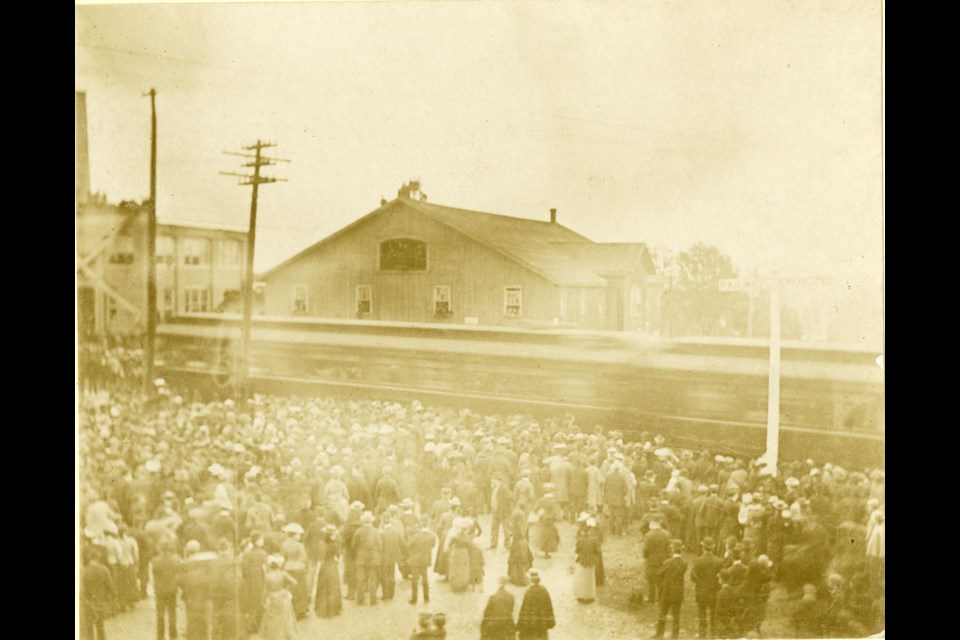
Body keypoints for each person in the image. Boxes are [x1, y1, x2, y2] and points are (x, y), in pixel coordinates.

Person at [691, 537, 723, 640]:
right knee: (714, 615)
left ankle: (702, 636)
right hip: (714, 592)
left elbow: (693, 577)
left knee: (702, 614)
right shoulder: (718, 561)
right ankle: (713, 635)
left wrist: (700, 582)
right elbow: (721, 577)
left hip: (701, 591)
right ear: (713, 547)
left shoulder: (698, 561)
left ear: (703, 547)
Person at [81, 546, 116, 640]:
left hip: (88, 602)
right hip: (100, 601)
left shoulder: (84, 571)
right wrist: (112, 599)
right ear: (98, 557)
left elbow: (82, 588)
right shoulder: (104, 569)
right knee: (100, 627)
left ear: (89, 558)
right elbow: (110, 586)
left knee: (89, 628)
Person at [654, 540, 687, 639]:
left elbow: (659, 574)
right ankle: (675, 635)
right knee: (676, 615)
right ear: (682, 549)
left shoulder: (667, 562)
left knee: (662, 613)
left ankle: (660, 634)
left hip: (667, 591)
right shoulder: (684, 564)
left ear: (672, 549)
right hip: (677, 592)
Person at [260, 554, 298, 640]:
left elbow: (265, 590)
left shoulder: (268, 576)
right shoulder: (283, 573)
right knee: (285, 618)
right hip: (283, 596)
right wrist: (286, 589)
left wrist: (263, 600)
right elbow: (294, 582)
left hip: (272, 597)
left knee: (273, 619)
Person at [150, 541, 183, 640]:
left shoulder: (155, 561)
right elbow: (179, 574)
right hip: (172, 590)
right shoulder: (176, 560)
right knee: (172, 613)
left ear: (161, 549)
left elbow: (154, 574)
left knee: (160, 614)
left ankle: (160, 636)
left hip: (160, 590)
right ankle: (173, 634)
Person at [313, 524, 343, 617]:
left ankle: (322, 609)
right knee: (333, 588)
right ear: (330, 535)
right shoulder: (334, 545)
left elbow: (319, 555)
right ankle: (333, 609)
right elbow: (338, 557)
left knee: (323, 587)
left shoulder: (321, 543)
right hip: (332, 567)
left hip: (323, 566)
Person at [354, 510, 383, 605]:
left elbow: (353, 545)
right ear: (371, 521)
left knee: (360, 580)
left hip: (361, 559)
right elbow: (380, 545)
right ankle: (373, 600)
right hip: (373, 559)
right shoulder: (375, 532)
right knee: (373, 579)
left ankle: (360, 599)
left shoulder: (358, 531)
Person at [517, 569, 556, 640]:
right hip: (542, 624)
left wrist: (520, 625)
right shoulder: (544, 590)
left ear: (530, 580)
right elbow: (549, 607)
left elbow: (524, 610)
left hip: (530, 625)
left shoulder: (529, 592)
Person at [241, 533, 268, 633]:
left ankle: (251, 625)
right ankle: (259, 625)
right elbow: (265, 570)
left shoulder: (246, 553)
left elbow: (243, 568)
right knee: (259, 601)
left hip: (248, 580)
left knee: (251, 602)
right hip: (259, 580)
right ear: (257, 541)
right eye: (261, 539)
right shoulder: (263, 554)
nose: (262, 541)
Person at [407, 518, 437, 605]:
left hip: (415, 560)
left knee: (415, 580)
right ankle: (426, 598)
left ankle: (414, 599)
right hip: (425, 560)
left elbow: (409, 546)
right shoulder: (432, 536)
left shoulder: (416, 537)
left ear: (420, 526)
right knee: (425, 578)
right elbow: (432, 545)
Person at [643, 519, 671, 603]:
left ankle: (651, 598)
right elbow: (668, 549)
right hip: (663, 560)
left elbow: (645, 550)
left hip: (651, 560)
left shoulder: (648, 535)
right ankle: (660, 597)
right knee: (661, 579)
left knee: (651, 580)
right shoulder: (666, 534)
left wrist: (645, 557)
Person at [573, 517, 601, 603]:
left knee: (581, 578)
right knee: (590, 579)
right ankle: (589, 596)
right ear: (589, 531)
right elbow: (597, 551)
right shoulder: (593, 540)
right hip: (591, 561)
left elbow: (576, 550)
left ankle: (581, 596)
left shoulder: (580, 540)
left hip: (582, 561)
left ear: (582, 531)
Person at [481, 576, 517, 640]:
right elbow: (511, 610)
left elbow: (487, 612)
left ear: (498, 583)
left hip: (495, 624)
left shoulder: (493, 597)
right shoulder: (511, 597)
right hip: (507, 623)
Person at [507, 507, 534, 586]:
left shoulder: (513, 524)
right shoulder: (524, 524)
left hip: (516, 543)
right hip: (523, 543)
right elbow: (526, 535)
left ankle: (515, 578)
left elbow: (512, 534)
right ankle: (522, 578)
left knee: (516, 561)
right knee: (523, 561)